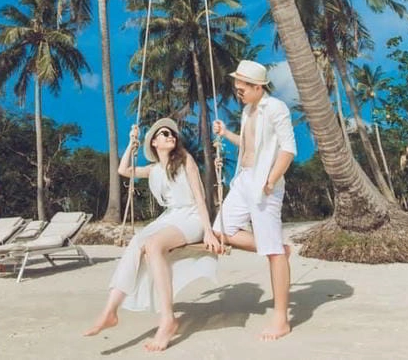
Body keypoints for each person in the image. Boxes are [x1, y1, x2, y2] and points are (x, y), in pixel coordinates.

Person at [84, 117, 221, 352]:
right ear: (154, 143)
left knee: (153, 245)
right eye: (164, 133)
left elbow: (200, 197)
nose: (170, 136)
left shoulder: (185, 160)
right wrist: (131, 144)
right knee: (136, 244)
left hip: (191, 217)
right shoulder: (153, 170)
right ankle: (110, 311)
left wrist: (208, 231)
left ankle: (168, 319)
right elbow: (123, 170)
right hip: (170, 217)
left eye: (172, 134)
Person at [213, 60, 297, 341]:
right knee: (221, 230)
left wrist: (271, 179)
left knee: (273, 253)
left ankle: (281, 319)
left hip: (265, 183)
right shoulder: (248, 110)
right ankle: (279, 249)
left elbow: (288, 149)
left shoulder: (275, 108)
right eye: (237, 89)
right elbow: (250, 145)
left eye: (242, 90)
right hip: (243, 178)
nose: (238, 94)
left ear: (258, 87)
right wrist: (226, 134)